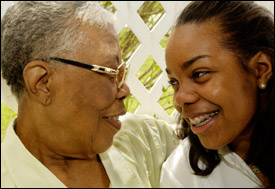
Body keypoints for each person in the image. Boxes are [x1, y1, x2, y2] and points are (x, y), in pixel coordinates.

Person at [1, 2, 178, 188]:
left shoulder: (139, 138)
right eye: (110, 72)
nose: (125, 90)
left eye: (122, 72)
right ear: (42, 82)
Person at [160, 1, 274, 188]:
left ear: (261, 69)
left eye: (200, 74)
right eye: (174, 82)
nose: (179, 98)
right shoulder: (181, 175)